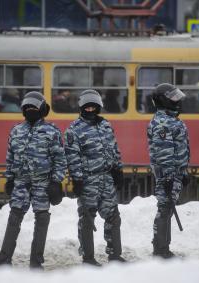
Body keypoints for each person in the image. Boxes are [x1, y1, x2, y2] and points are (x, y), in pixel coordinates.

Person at [0, 91, 66, 269]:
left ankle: (36, 263)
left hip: (43, 183)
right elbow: (10, 157)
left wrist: (56, 182)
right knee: (14, 219)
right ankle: (4, 261)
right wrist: (9, 178)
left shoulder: (51, 131)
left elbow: (59, 158)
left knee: (41, 221)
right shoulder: (16, 130)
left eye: (34, 107)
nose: (31, 110)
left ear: (42, 110)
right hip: (21, 183)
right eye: (28, 108)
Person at [64, 89, 126, 266]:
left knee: (113, 216)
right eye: (87, 107)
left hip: (106, 178)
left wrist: (118, 170)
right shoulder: (73, 130)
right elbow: (72, 157)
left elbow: (114, 149)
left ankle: (115, 255)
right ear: (82, 108)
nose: (90, 110)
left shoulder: (105, 125)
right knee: (87, 218)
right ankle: (88, 257)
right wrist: (77, 180)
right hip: (88, 180)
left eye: (93, 107)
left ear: (98, 107)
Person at [147, 83, 190, 259]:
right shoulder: (163, 122)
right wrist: (168, 177)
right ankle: (160, 249)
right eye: (173, 98)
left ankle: (163, 247)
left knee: (167, 209)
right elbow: (164, 153)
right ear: (163, 101)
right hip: (168, 174)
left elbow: (179, 149)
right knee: (165, 209)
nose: (177, 101)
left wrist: (183, 172)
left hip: (174, 173)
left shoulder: (170, 119)